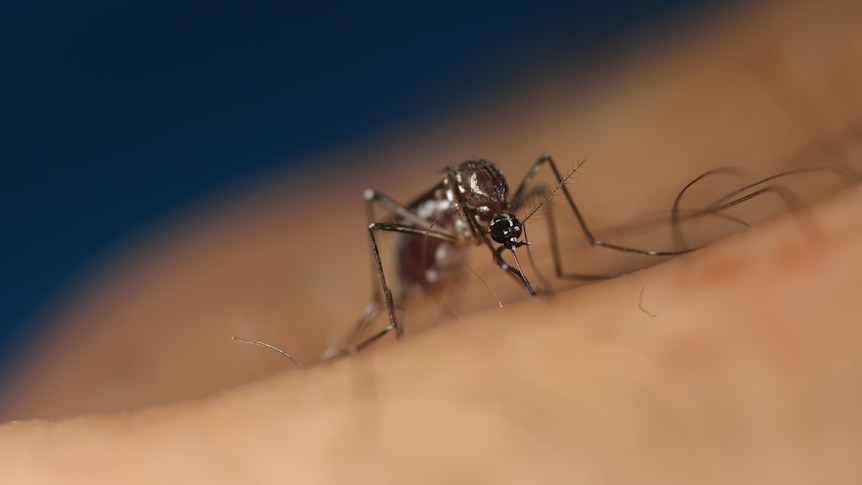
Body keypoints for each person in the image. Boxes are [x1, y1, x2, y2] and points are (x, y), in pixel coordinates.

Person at [2, 1, 862, 482]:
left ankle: (547, 263)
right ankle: (388, 322)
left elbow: (525, 191)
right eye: (508, 233)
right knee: (383, 209)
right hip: (420, 247)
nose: (511, 237)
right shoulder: (460, 218)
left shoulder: (509, 199)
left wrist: (566, 258)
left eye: (511, 234)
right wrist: (405, 297)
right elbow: (399, 215)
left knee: (545, 165)